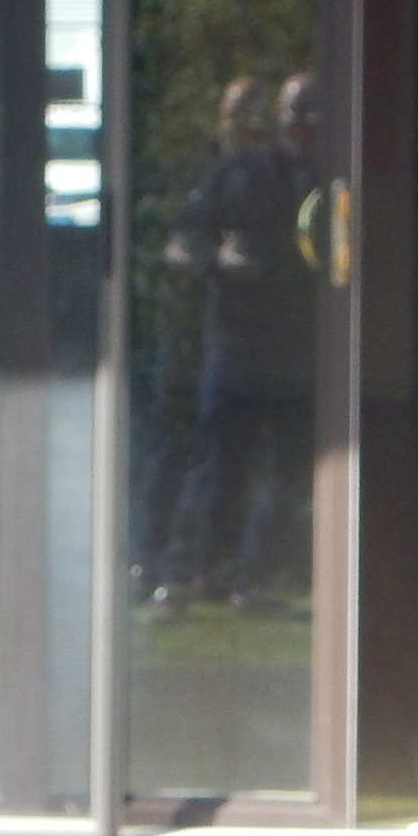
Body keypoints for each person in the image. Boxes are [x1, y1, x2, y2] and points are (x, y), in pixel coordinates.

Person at [160, 69, 319, 604]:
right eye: (298, 111)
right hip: (240, 345)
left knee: (292, 474)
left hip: (307, 351)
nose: (307, 123)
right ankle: (191, 572)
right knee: (222, 466)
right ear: (281, 116)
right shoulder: (242, 170)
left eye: (318, 112)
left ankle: (256, 576)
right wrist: (220, 261)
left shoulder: (337, 180)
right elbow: (181, 246)